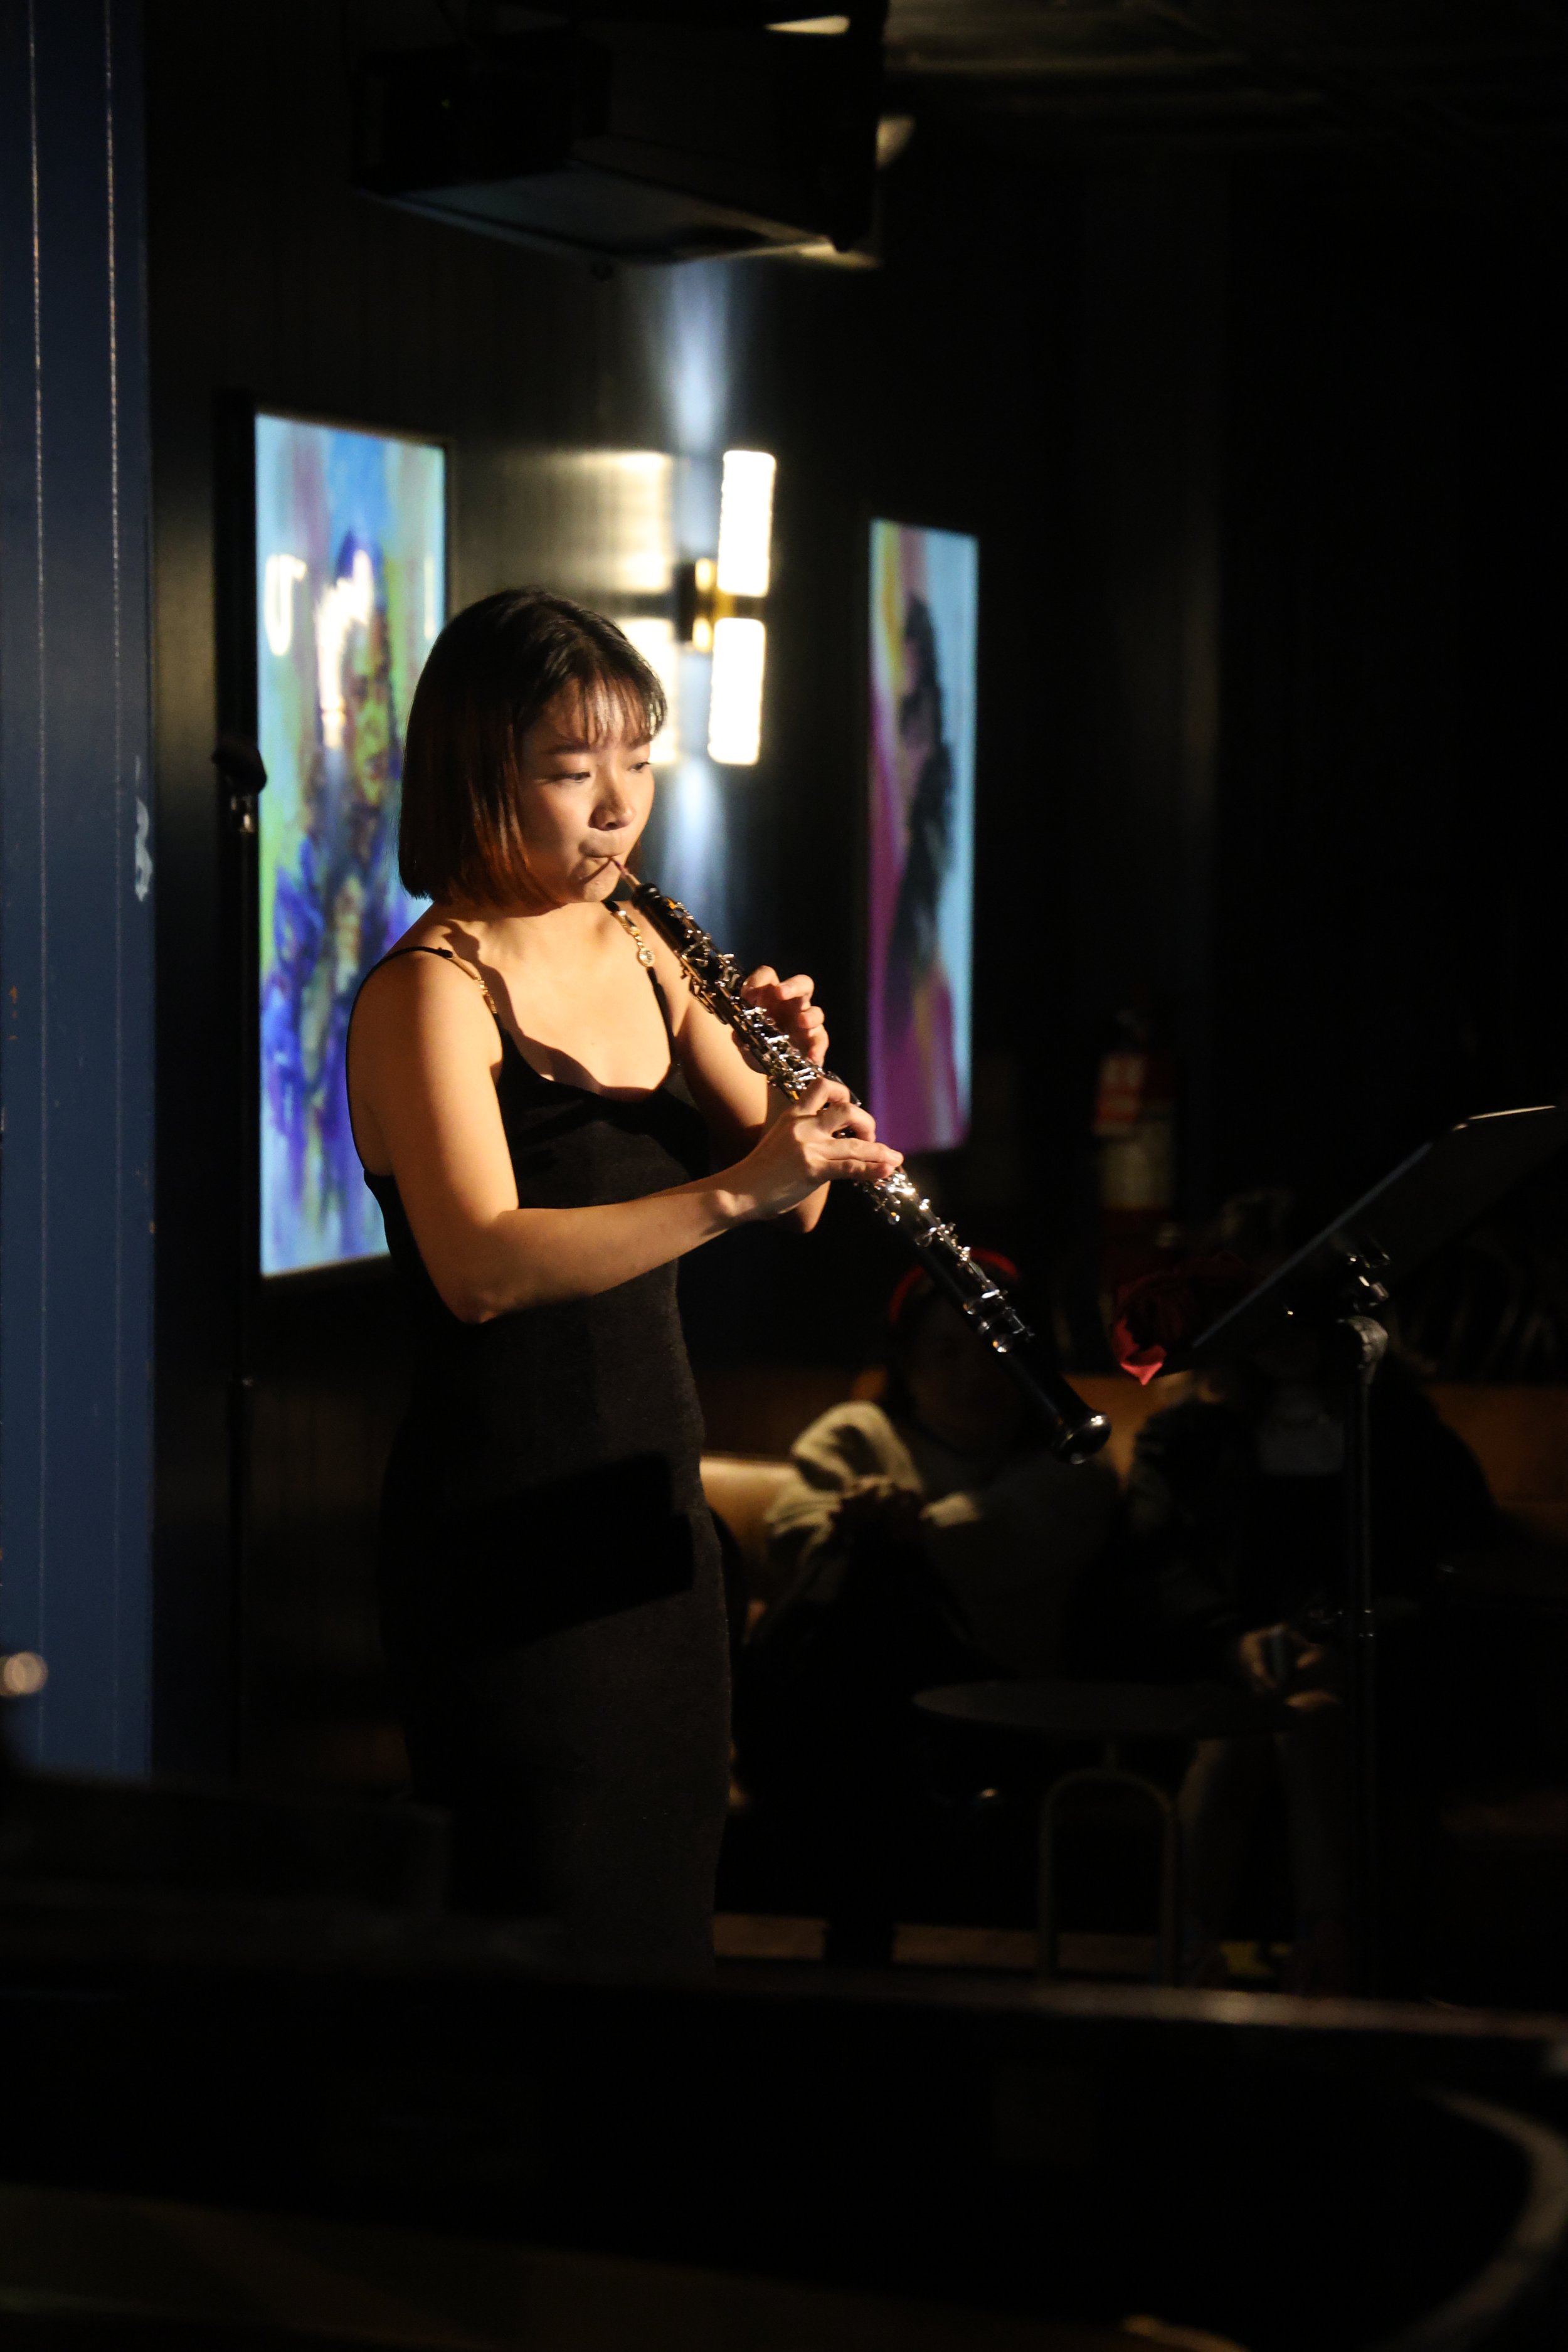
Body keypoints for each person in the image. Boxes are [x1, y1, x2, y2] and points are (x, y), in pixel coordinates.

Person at [345, 589, 902, 1980]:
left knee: (661, 1941)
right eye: (569, 769)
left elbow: (810, 1196)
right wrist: (731, 1186)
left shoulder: (652, 947)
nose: (615, 810)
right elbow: (477, 1266)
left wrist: (795, 1089)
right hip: (502, 1535)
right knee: (540, 1954)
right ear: (481, 772)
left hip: (652, 1524)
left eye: (637, 763)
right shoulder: (428, 990)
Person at [1112, 1191, 1497, 1991]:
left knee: (1312, 1710)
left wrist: (1343, 1635)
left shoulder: (1396, 1432)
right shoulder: (1185, 1436)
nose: (1284, 1328)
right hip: (1218, 1672)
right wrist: (1233, 1639)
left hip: (1377, 1682)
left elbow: (1451, 1563)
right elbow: (1153, 1563)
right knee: (1240, 1724)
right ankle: (1185, 1953)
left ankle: (1327, 1954)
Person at [734, 1259, 1118, 1954]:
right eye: (945, 1351)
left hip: (988, 1720)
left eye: (993, 1353)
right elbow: (793, 1535)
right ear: (906, 1362)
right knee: (865, 1579)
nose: (971, 1375)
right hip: (841, 1710)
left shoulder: (1072, 1463)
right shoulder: (859, 1435)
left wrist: (893, 1528)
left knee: (882, 1570)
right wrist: (861, 1527)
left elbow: (991, 1540)